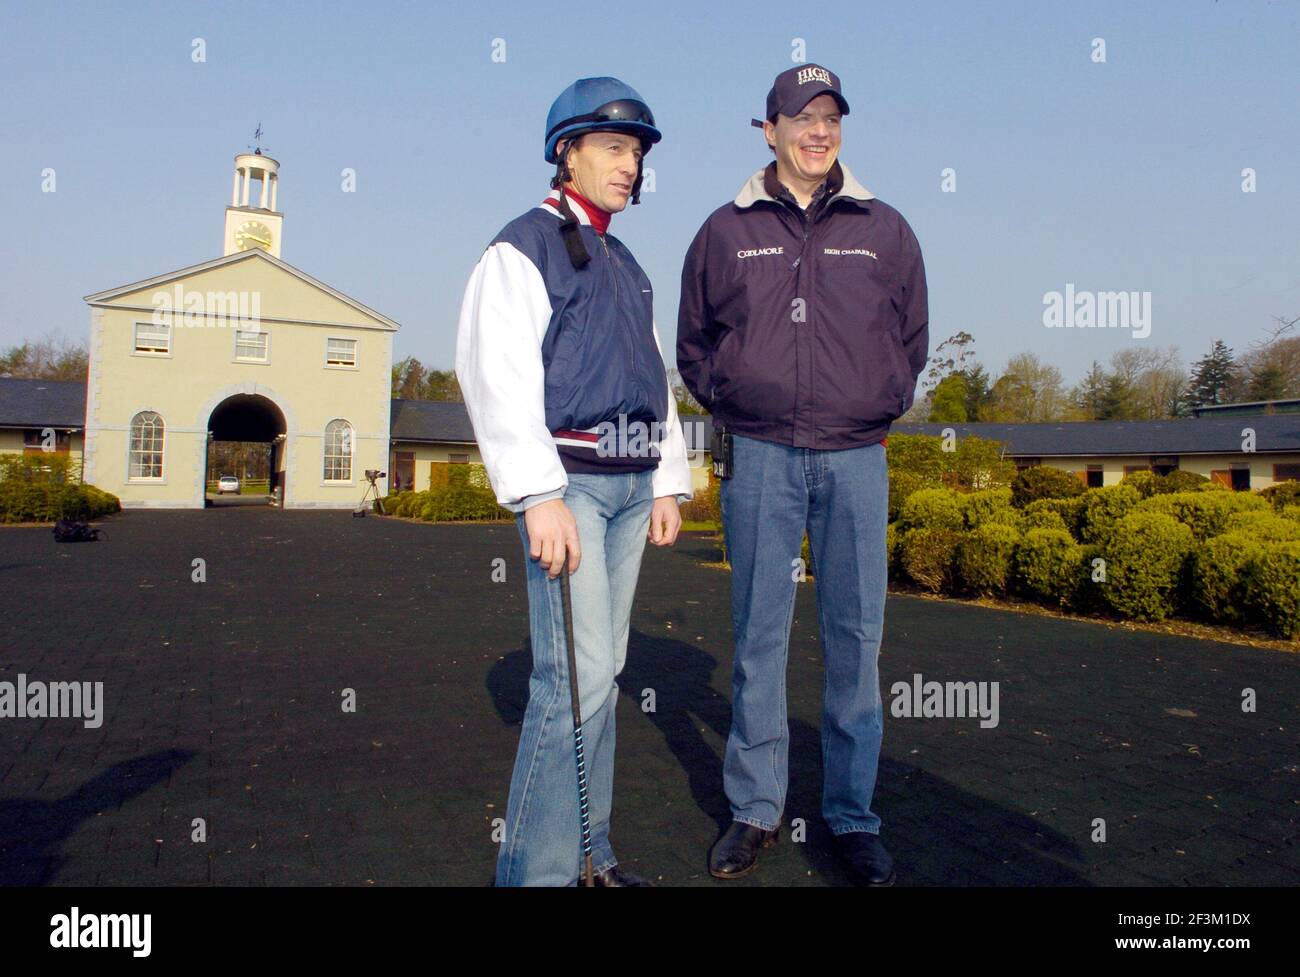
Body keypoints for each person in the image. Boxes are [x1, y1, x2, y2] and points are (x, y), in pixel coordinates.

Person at [676, 63, 928, 886]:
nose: (818, 131)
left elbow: (911, 339)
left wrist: (879, 402)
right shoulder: (724, 230)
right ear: (769, 130)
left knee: (856, 639)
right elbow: (694, 345)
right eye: (801, 117)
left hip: (857, 457)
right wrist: (740, 404)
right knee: (759, 634)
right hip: (763, 456)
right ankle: (756, 810)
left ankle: (852, 816)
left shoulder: (885, 229)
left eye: (831, 118)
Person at [456, 76, 693, 887]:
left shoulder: (627, 264)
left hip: (630, 488)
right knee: (572, 683)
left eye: (637, 153)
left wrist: (666, 479)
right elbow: (496, 372)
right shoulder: (520, 246)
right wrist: (537, 492)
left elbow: (654, 377)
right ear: (568, 152)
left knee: (605, 675)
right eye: (615, 148)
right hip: (573, 487)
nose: (631, 166)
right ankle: (535, 876)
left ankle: (592, 854)